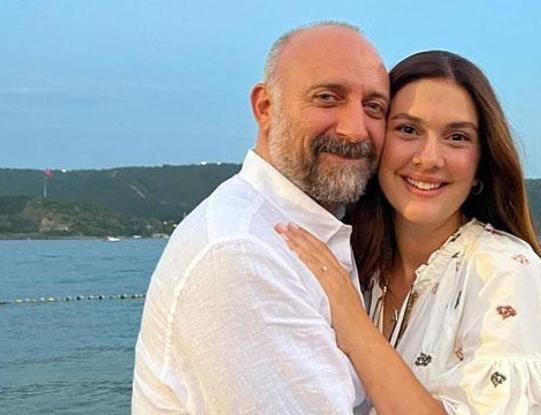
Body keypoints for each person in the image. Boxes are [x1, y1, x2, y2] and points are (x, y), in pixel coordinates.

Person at [276, 51, 541, 414]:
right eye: (408, 130)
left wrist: (352, 324)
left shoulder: (504, 272)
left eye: (457, 137)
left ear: (481, 163)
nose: (429, 158)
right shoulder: (362, 269)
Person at [132, 22, 390, 414]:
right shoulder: (241, 253)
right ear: (266, 107)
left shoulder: (315, 231)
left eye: (373, 107)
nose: (355, 130)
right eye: (327, 98)